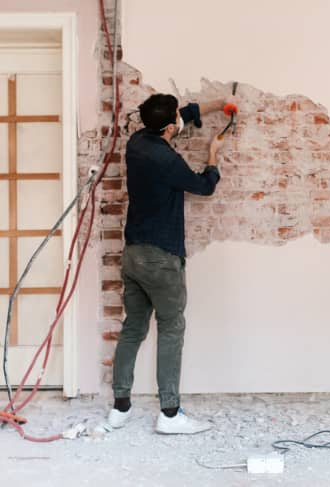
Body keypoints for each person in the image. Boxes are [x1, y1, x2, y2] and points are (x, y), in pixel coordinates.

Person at [107, 93, 235, 434]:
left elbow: (181, 115)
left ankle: (119, 408)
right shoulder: (167, 161)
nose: (180, 119)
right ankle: (169, 414)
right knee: (171, 329)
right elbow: (203, 186)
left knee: (133, 328)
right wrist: (213, 156)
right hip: (161, 257)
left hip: (132, 254)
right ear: (167, 127)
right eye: (176, 117)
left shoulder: (136, 143)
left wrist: (218, 103)